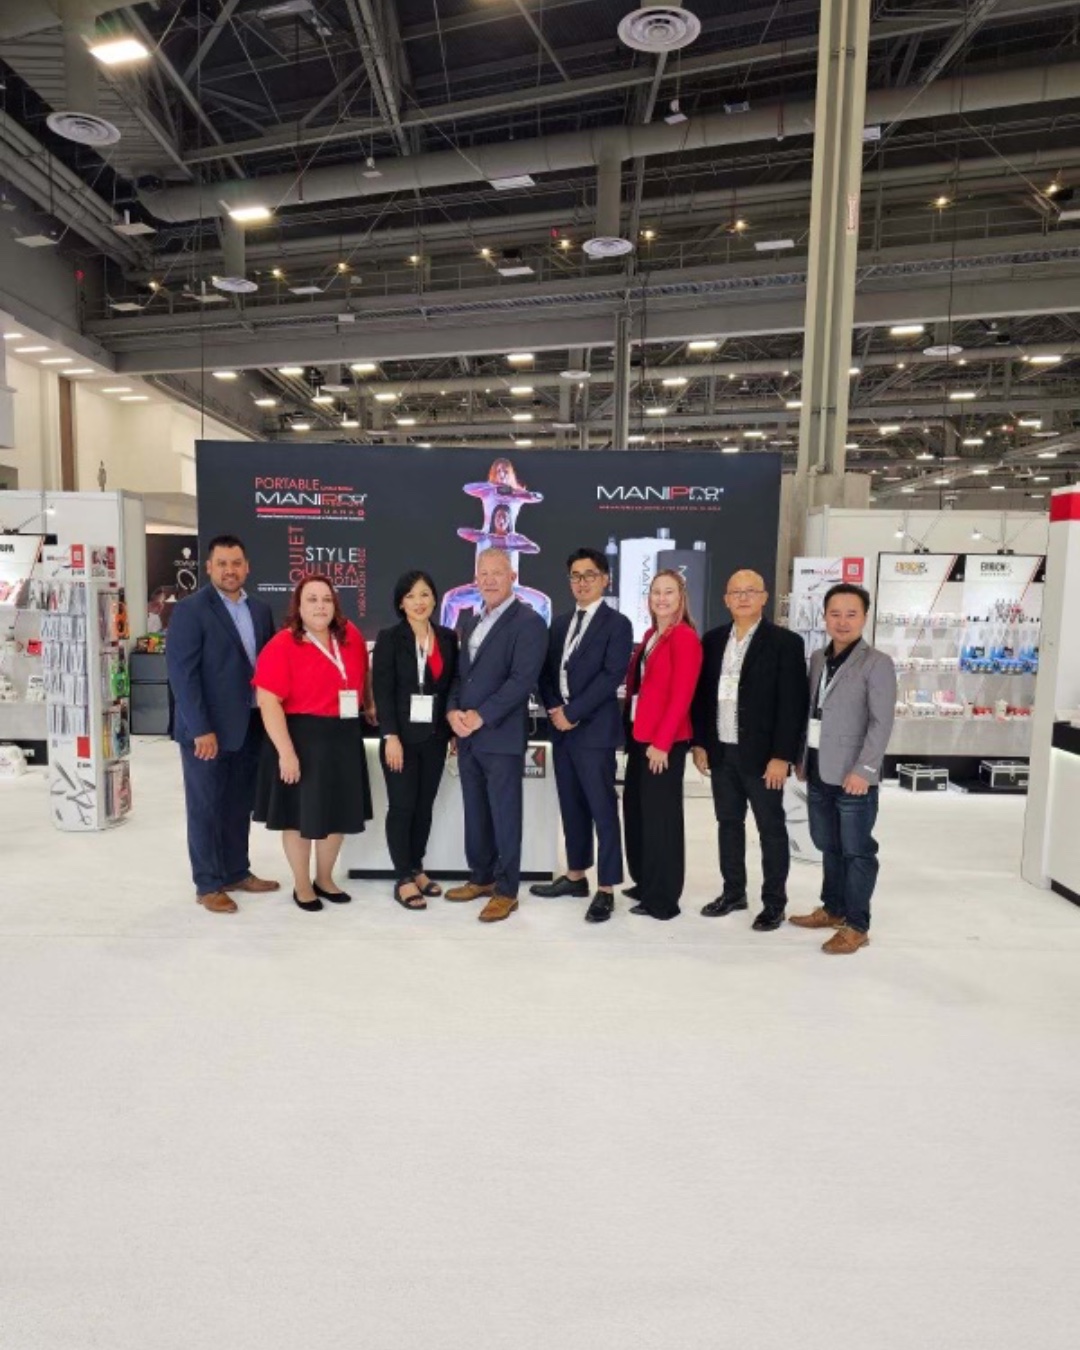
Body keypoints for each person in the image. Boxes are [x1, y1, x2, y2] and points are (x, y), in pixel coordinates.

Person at [691, 569, 809, 931]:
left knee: (771, 830)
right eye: (736, 592)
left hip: (763, 758)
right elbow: (702, 698)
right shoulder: (712, 641)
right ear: (726, 600)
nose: (743, 597)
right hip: (721, 751)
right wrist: (700, 742)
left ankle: (774, 902)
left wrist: (782, 756)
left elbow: (793, 704)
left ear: (764, 597)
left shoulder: (785, 643)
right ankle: (733, 892)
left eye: (750, 591)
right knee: (728, 824)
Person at [167, 534, 279, 914]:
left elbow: (266, 668)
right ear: (209, 567)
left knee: (237, 805)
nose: (230, 570)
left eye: (236, 563)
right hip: (207, 732)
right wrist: (200, 728)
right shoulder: (191, 610)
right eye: (222, 564)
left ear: (247, 567)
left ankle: (236, 871)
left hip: (248, 726)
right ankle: (208, 884)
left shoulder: (260, 610)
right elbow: (183, 675)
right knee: (206, 807)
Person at [252, 575, 373, 912]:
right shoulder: (282, 644)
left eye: (326, 599)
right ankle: (302, 884)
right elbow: (267, 701)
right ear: (299, 606)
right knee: (298, 817)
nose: (321, 606)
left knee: (338, 813)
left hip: (344, 737)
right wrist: (286, 753)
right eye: (312, 599)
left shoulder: (351, 636)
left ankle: (325, 878)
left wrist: (369, 704)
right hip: (301, 739)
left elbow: (362, 675)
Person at [790, 583, 897, 954]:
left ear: (865, 617)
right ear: (824, 617)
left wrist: (864, 770)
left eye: (851, 614)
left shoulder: (877, 663)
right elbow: (811, 712)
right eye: (835, 614)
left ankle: (857, 925)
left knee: (857, 851)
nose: (842, 621)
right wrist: (802, 758)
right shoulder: (818, 658)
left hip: (854, 775)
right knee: (828, 845)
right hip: (819, 769)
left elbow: (881, 723)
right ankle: (833, 908)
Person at [531, 548, 634, 923]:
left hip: (594, 732)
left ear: (605, 579)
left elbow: (611, 676)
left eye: (590, 575)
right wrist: (555, 709)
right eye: (575, 575)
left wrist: (572, 713)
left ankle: (606, 888)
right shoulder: (559, 624)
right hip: (561, 731)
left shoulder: (617, 624)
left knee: (602, 809)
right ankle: (576, 876)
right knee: (571, 805)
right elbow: (544, 673)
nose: (582, 582)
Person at [445, 548, 547, 923]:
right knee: (476, 812)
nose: (488, 580)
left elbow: (521, 681)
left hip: (501, 736)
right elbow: (461, 676)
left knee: (505, 815)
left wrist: (481, 716)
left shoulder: (528, 622)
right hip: (468, 736)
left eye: (497, 573)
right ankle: (481, 877)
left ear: (512, 577)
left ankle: (506, 891)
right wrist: (453, 712)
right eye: (483, 573)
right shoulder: (473, 621)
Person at [372, 571, 458, 910]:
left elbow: (451, 687)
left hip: (435, 738)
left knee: (424, 807)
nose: (418, 602)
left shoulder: (448, 637)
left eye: (424, 594)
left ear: (435, 598)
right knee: (403, 806)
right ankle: (403, 877)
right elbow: (383, 691)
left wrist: (452, 731)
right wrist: (390, 735)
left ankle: (417, 867)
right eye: (410, 596)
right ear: (400, 603)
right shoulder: (390, 638)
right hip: (401, 740)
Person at [622, 568, 703, 921]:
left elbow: (682, 695)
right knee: (638, 812)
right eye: (656, 592)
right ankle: (645, 882)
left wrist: (663, 743)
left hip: (663, 742)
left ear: (681, 598)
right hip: (641, 737)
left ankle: (663, 898)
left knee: (661, 820)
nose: (661, 598)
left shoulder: (684, 637)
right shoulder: (651, 635)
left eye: (669, 592)